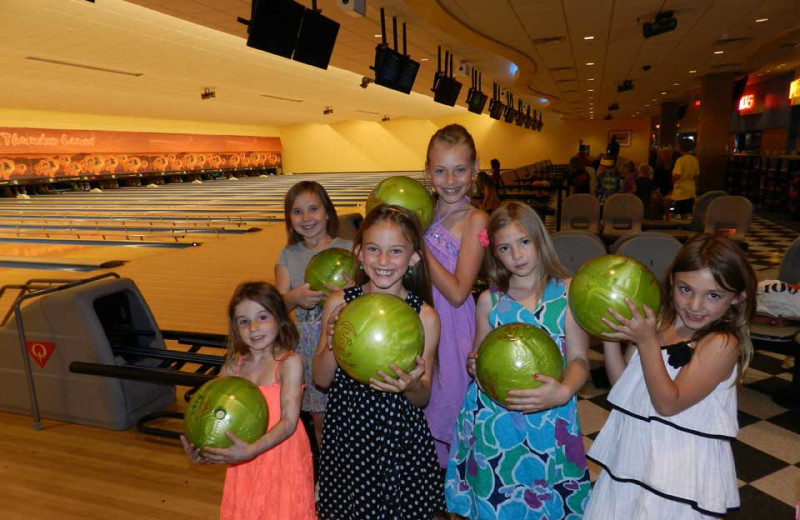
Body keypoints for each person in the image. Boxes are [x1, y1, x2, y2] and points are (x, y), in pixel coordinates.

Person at [584, 234, 757, 519]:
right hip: (637, 456)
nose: (695, 305)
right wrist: (610, 337)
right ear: (672, 281)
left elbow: (668, 404)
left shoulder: (721, 344)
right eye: (685, 289)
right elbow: (625, 384)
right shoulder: (662, 322)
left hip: (677, 467)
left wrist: (647, 342)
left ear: (738, 299)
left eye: (713, 295)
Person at [445, 201, 592, 519]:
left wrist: (564, 391)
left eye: (524, 242)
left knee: (545, 500)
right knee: (497, 499)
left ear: (540, 238)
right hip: (495, 422)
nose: (517, 254)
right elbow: (478, 355)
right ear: (494, 253)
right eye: (505, 248)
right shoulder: (489, 301)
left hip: (550, 414)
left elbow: (580, 359)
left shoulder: (568, 293)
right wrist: (475, 364)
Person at [313, 204, 444, 519]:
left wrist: (411, 385)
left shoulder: (424, 316)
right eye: (373, 249)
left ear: (413, 258)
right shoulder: (339, 303)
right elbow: (321, 378)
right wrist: (334, 341)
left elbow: (423, 396)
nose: (383, 261)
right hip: (348, 433)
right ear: (358, 252)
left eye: (396, 251)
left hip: (398, 437)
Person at [181, 282, 316, 520]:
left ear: (280, 319)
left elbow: (288, 421)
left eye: (262, 317)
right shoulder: (232, 368)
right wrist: (204, 452)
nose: (254, 328)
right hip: (244, 459)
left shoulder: (288, 363)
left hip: (282, 455)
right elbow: (212, 420)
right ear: (236, 328)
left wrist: (252, 450)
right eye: (244, 321)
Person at [423, 124, 490, 468]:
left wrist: (417, 243)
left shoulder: (475, 219)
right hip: (418, 325)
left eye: (460, 170)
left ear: (475, 170)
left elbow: (458, 291)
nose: (450, 180)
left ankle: (459, 498)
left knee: (449, 418)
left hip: (452, 331)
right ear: (427, 172)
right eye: (441, 170)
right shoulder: (423, 212)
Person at [275, 181, 352, 453]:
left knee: (350, 416)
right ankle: (330, 477)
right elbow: (276, 305)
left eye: (313, 209)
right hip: (308, 346)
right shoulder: (288, 255)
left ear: (328, 212)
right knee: (321, 420)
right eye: (297, 212)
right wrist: (294, 298)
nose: (306, 218)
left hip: (345, 340)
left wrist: (350, 291)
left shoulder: (348, 247)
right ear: (289, 219)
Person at [671, 138, 700, 219]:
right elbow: (696, 176)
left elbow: (677, 175)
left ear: (680, 147)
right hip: (690, 189)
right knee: (686, 212)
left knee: (675, 212)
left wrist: (672, 182)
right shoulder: (694, 160)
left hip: (680, 191)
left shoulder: (680, 160)